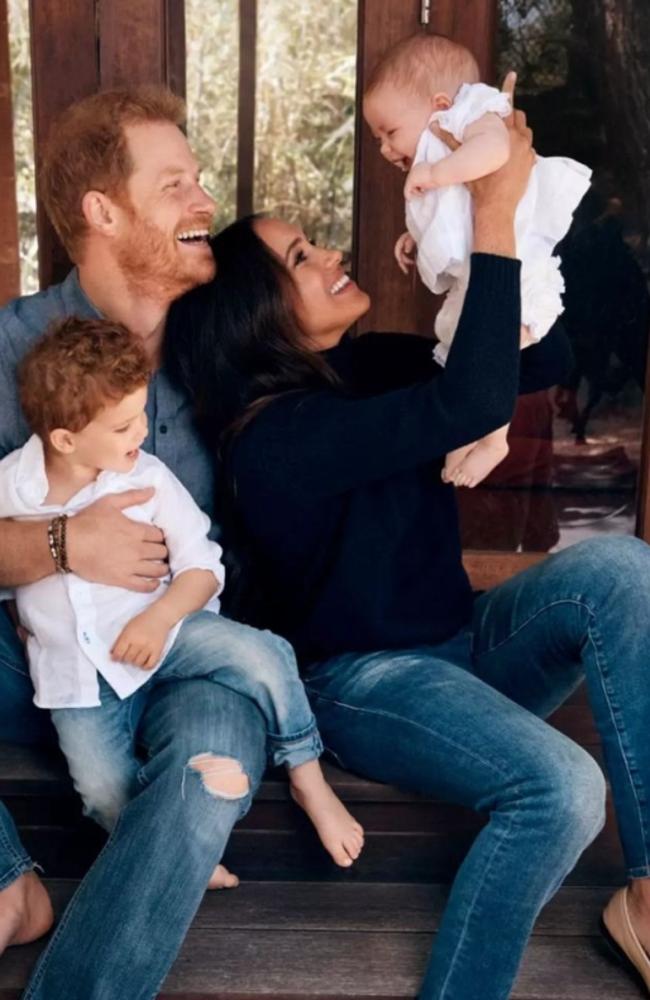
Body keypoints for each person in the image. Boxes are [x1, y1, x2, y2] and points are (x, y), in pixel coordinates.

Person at [166, 103, 650, 1000]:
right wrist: (496, 207)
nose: (332, 256)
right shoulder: (273, 439)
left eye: (315, 244)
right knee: (562, 791)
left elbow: (540, 364)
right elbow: (466, 406)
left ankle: (649, 897)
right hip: (368, 685)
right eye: (301, 258)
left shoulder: (370, 366)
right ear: (253, 313)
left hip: (463, 649)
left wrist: (467, 267)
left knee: (624, 571)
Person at [0, 84, 279, 1000]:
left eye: (199, 181)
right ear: (102, 210)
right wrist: (59, 545)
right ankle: (8, 882)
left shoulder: (227, 346)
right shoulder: (11, 350)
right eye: (176, 186)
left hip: (191, 657)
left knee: (211, 770)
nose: (205, 203)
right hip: (34, 665)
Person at [0, 316, 362, 870]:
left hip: (168, 631)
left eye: (139, 416)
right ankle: (165, 846)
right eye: (122, 427)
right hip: (76, 675)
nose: (140, 434)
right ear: (66, 439)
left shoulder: (145, 477)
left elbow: (203, 566)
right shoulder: (13, 486)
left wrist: (159, 618)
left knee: (266, 656)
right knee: (99, 788)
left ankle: (306, 777)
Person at [363, 34, 591, 489]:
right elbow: (456, 214)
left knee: (492, 349)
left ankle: (493, 437)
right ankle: (470, 429)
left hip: (518, 266)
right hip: (483, 270)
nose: (386, 149)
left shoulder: (475, 115)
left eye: (390, 132)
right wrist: (416, 236)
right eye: (377, 140)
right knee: (462, 347)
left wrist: (435, 172)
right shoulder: (442, 148)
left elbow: (495, 153)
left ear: (441, 103)